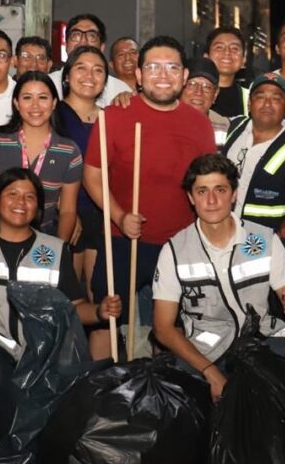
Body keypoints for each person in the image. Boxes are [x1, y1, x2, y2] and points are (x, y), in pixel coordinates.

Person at [0, 169, 121, 464]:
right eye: (12, 194)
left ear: (38, 209)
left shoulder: (53, 251)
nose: (20, 202)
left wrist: (100, 313)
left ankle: (23, 439)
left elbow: (74, 308)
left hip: (41, 355)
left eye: (29, 197)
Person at [153, 154, 285, 400]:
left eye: (220, 190)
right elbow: (163, 329)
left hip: (261, 340)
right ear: (191, 198)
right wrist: (210, 372)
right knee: (170, 388)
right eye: (202, 191)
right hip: (205, 350)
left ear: (233, 194)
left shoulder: (263, 239)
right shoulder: (175, 250)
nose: (212, 200)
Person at [83, 35, 217, 339]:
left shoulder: (199, 123)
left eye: (172, 67)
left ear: (184, 76)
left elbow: (208, 184)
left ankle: (167, 386)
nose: (163, 75)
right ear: (140, 75)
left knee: (173, 331)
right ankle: (108, 384)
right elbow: (92, 175)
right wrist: (118, 216)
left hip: (182, 244)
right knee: (109, 324)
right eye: (153, 67)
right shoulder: (115, 115)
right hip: (122, 239)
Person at [0, 71, 83, 241]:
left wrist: (59, 251)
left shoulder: (69, 152)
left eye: (43, 97)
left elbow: (68, 211)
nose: (35, 105)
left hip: (45, 240)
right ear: (16, 103)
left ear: (54, 103)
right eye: (27, 98)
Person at [221, 72, 285, 235]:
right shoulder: (232, 130)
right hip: (222, 234)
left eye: (276, 98)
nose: (267, 104)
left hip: (263, 244)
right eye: (260, 97)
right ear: (249, 103)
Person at [55, 45, 110, 287]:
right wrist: (65, 210)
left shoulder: (113, 117)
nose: (90, 76)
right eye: (81, 68)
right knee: (70, 290)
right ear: (67, 76)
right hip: (65, 210)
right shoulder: (51, 113)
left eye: (98, 70)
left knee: (99, 291)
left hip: (104, 214)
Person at [49, 13, 132, 108]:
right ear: (66, 45)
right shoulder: (48, 84)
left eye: (91, 36)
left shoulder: (119, 90)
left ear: (102, 47)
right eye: (76, 35)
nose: (83, 42)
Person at [182, 57, 231, 145]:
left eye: (207, 86)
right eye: (192, 84)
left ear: (215, 94)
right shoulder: (163, 121)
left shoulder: (225, 127)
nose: (198, 92)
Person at [205, 26, 249, 118]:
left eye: (234, 48)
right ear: (206, 57)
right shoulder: (189, 93)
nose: (227, 52)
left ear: (243, 60)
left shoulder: (250, 97)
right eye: (219, 47)